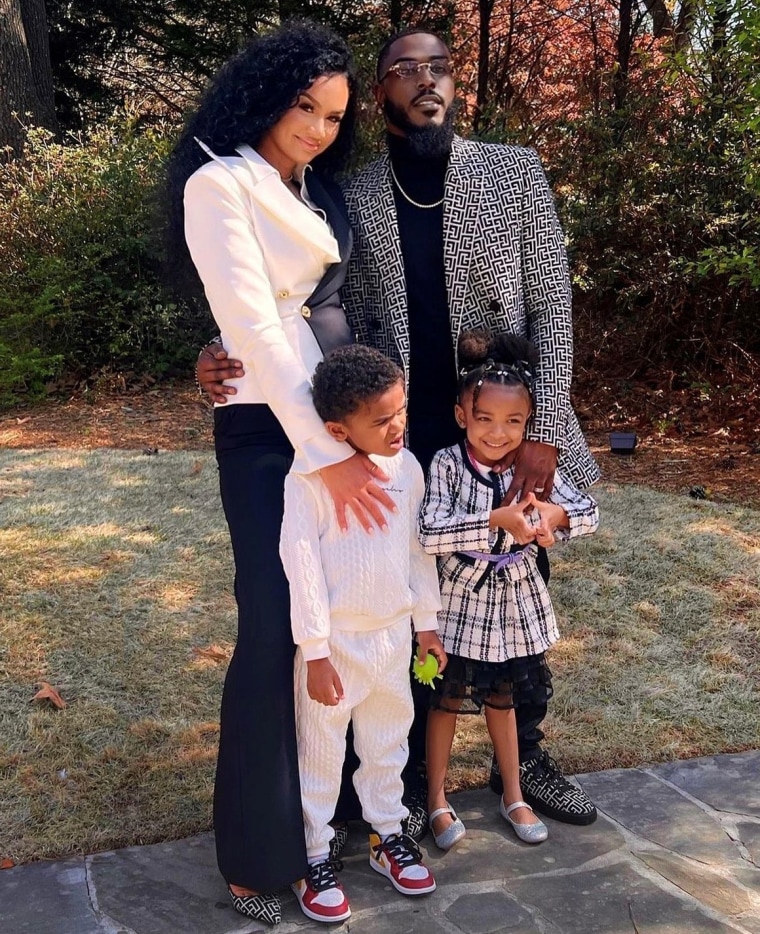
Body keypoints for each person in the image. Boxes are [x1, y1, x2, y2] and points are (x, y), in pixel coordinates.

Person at [196, 28, 602, 829]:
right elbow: (298, 298)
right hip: (399, 435)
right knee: (412, 606)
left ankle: (532, 756)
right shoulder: (349, 190)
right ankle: (414, 773)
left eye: (441, 67)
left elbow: (552, 306)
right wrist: (218, 348)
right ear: (379, 93)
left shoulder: (515, 172)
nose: (428, 81)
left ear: (458, 84)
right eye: (405, 69)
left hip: (504, 424)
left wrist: (544, 429)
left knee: (518, 596)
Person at [163, 21, 395, 925]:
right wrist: (329, 452)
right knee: (272, 625)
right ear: (264, 95)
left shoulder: (319, 191)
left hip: (347, 424)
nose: (317, 127)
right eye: (305, 106)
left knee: (334, 627)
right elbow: (255, 328)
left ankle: (326, 823)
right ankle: (258, 858)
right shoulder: (219, 184)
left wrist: (363, 433)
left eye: (335, 115)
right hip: (272, 430)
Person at [280, 344, 445, 922]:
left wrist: (426, 625)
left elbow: (418, 554)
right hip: (336, 648)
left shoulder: (410, 469)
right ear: (335, 428)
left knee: (387, 744)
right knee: (320, 752)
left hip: (392, 639)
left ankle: (387, 835)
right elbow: (300, 568)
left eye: (401, 411)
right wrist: (317, 652)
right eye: (380, 420)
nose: (397, 426)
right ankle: (313, 852)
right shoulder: (308, 481)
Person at [418, 330, 599, 850]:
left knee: (505, 696)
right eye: (485, 420)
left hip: (514, 602)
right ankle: (435, 798)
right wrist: (493, 521)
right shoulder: (448, 465)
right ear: (461, 417)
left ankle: (514, 793)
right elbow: (430, 532)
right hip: (460, 600)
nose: (498, 434)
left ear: (529, 423)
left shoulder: (533, 470)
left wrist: (554, 516)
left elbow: (588, 512)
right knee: (447, 700)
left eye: (514, 422)